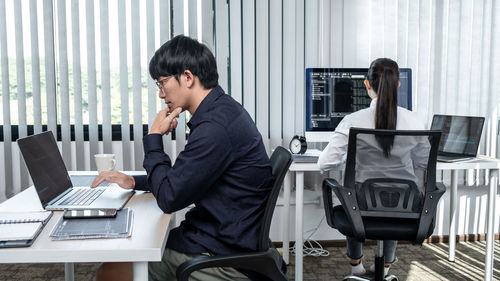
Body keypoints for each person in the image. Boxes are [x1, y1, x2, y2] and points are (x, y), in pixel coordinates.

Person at [92, 35, 273, 281]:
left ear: (187, 77)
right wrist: (135, 182)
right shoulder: (221, 111)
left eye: (162, 83)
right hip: (224, 239)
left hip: (223, 257)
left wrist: (154, 136)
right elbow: (184, 178)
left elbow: (169, 198)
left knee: (111, 271)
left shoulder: (215, 127)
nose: (161, 94)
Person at [317, 58, 426, 277]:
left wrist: (350, 157)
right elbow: (423, 161)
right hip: (404, 207)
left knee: (354, 194)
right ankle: (385, 269)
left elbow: (324, 163)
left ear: (367, 84)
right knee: (395, 195)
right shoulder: (415, 121)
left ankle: (356, 266)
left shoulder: (353, 120)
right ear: (398, 85)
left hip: (362, 206)